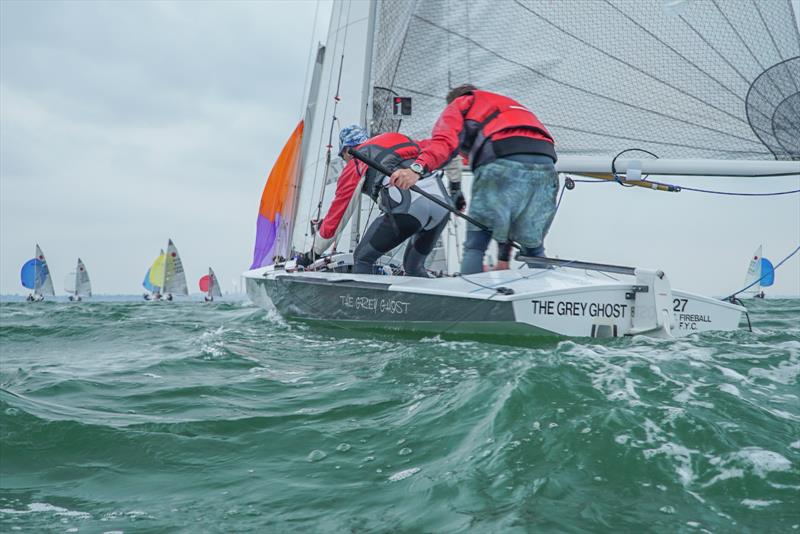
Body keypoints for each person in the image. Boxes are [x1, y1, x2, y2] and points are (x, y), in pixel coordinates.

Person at [390, 85, 558, 274]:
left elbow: (444, 143)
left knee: (476, 245)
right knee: (533, 247)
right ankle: (548, 298)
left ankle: (469, 298)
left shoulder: (462, 103)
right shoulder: (508, 105)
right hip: (547, 166)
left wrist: (416, 169)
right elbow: (511, 203)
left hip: (500, 163)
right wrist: (504, 258)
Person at [299, 125, 454, 277]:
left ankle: (362, 302)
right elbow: (441, 149)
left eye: (343, 157)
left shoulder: (357, 161)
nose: (345, 161)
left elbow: (339, 213)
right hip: (442, 204)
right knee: (413, 268)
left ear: (347, 150)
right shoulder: (398, 138)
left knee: (362, 258)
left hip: (408, 207)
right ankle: (427, 302)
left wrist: (314, 253)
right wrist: (456, 187)